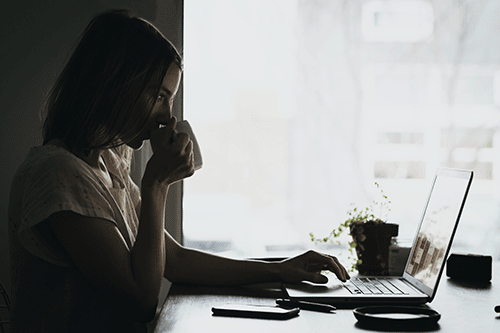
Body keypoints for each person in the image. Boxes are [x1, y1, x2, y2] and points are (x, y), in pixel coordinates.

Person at [7, 9, 349, 332]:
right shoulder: (57, 173)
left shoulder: (107, 165)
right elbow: (140, 300)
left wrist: (282, 269)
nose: (167, 117)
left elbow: (175, 259)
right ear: (114, 84)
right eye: (159, 95)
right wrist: (156, 183)